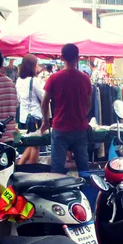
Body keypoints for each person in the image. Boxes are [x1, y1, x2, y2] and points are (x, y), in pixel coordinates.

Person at [41, 43, 92, 174]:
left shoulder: (54, 78)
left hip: (60, 127)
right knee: (83, 166)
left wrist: (45, 121)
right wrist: (82, 114)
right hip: (80, 127)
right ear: (78, 58)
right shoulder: (85, 79)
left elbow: (44, 102)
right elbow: (89, 103)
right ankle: (86, 186)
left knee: (57, 168)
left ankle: (59, 187)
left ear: (62, 58)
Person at [16, 54, 45, 164]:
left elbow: (19, 99)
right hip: (34, 117)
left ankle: (21, 164)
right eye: (36, 65)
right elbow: (44, 97)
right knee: (36, 144)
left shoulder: (19, 80)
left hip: (23, 117)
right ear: (32, 66)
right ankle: (32, 167)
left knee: (30, 143)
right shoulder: (34, 81)